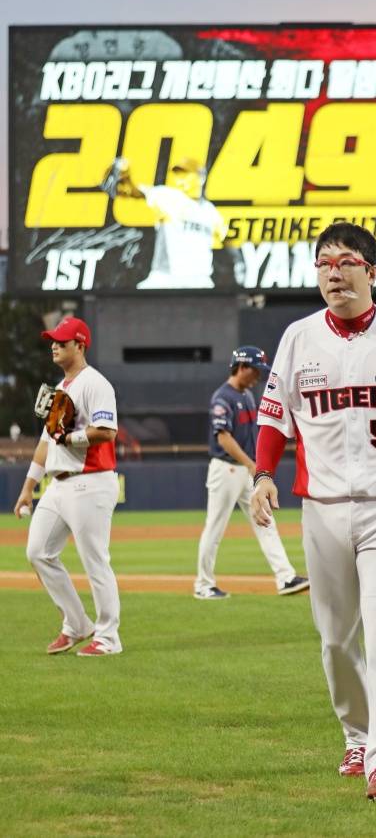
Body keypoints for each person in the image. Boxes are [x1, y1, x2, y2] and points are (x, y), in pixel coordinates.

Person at [250, 222, 376, 801]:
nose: (332, 272)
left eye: (344, 261)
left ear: (372, 271)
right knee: (336, 639)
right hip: (323, 509)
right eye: (322, 264)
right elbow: (272, 419)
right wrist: (264, 475)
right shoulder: (297, 338)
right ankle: (357, 734)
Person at [13, 317, 122, 656]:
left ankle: (108, 637)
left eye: (62, 340)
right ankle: (77, 624)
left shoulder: (95, 383)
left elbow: (107, 431)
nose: (54, 345)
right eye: (53, 340)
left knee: (94, 561)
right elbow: (47, 444)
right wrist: (27, 487)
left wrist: (69, 435)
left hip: (90, 481)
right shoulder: (61, 389)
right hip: (58, 485)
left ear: (80, 344)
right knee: (38, 552)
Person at [194, 345, 309, 600]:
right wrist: (250, 464)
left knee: (266, 520)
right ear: (242, 367)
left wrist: (253, 465)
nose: (258, 376)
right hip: (226, 469)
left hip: (246, 470)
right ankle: (203, 584)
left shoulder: (246, 395)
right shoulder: (222, 397)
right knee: (215, 527)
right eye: (255, 370)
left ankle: (286, 577)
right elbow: (223, 438)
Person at [102, 156, 226, 289]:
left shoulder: (212, 212)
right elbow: (132, 190)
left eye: (185, 174)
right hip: (167, 279)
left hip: (200, 281)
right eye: (178, 174)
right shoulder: (169, 197)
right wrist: (123, 177)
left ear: (201, 177)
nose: (180, 178)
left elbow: (224, 241)